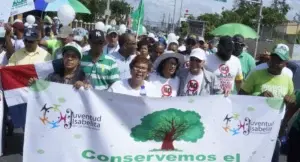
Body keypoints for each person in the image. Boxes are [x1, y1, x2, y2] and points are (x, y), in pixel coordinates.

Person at [239, 44, 295, 162]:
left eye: (279, 60)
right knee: (251, 156)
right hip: (255, 124)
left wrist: (290, 101)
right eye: (273, 58)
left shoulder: (287, 79)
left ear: (285, 64)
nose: (275, 62)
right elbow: (240, 96)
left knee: (272, 156)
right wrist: (259, 98)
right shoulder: (256, 74)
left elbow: (292, 101)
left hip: (275, 126)